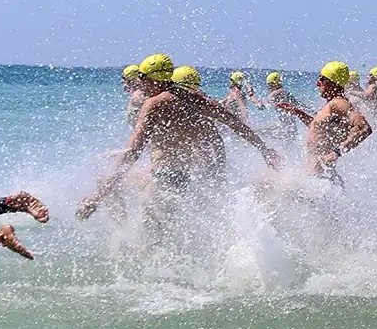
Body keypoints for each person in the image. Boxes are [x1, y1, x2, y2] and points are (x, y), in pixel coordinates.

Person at [77, 54, 279, 225]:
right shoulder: (194, 98)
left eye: (143, 77)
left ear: (155, 79)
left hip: (163, 179)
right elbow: (234, 123)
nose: (140, 82)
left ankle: (122, 230)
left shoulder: (153, 104)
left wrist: (98, 197)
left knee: (108, 186)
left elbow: (133, 152)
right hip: (183, 177)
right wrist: (263, 148)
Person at [276, 61, 372, 186]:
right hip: (319, 178)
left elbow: (364, 128)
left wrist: (336, 153)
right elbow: (319, 130)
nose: (317, 83)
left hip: (320, 180)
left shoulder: (339, 103)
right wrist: (298, 112)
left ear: (333, 83)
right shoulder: (331, 105)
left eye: (322, 79)